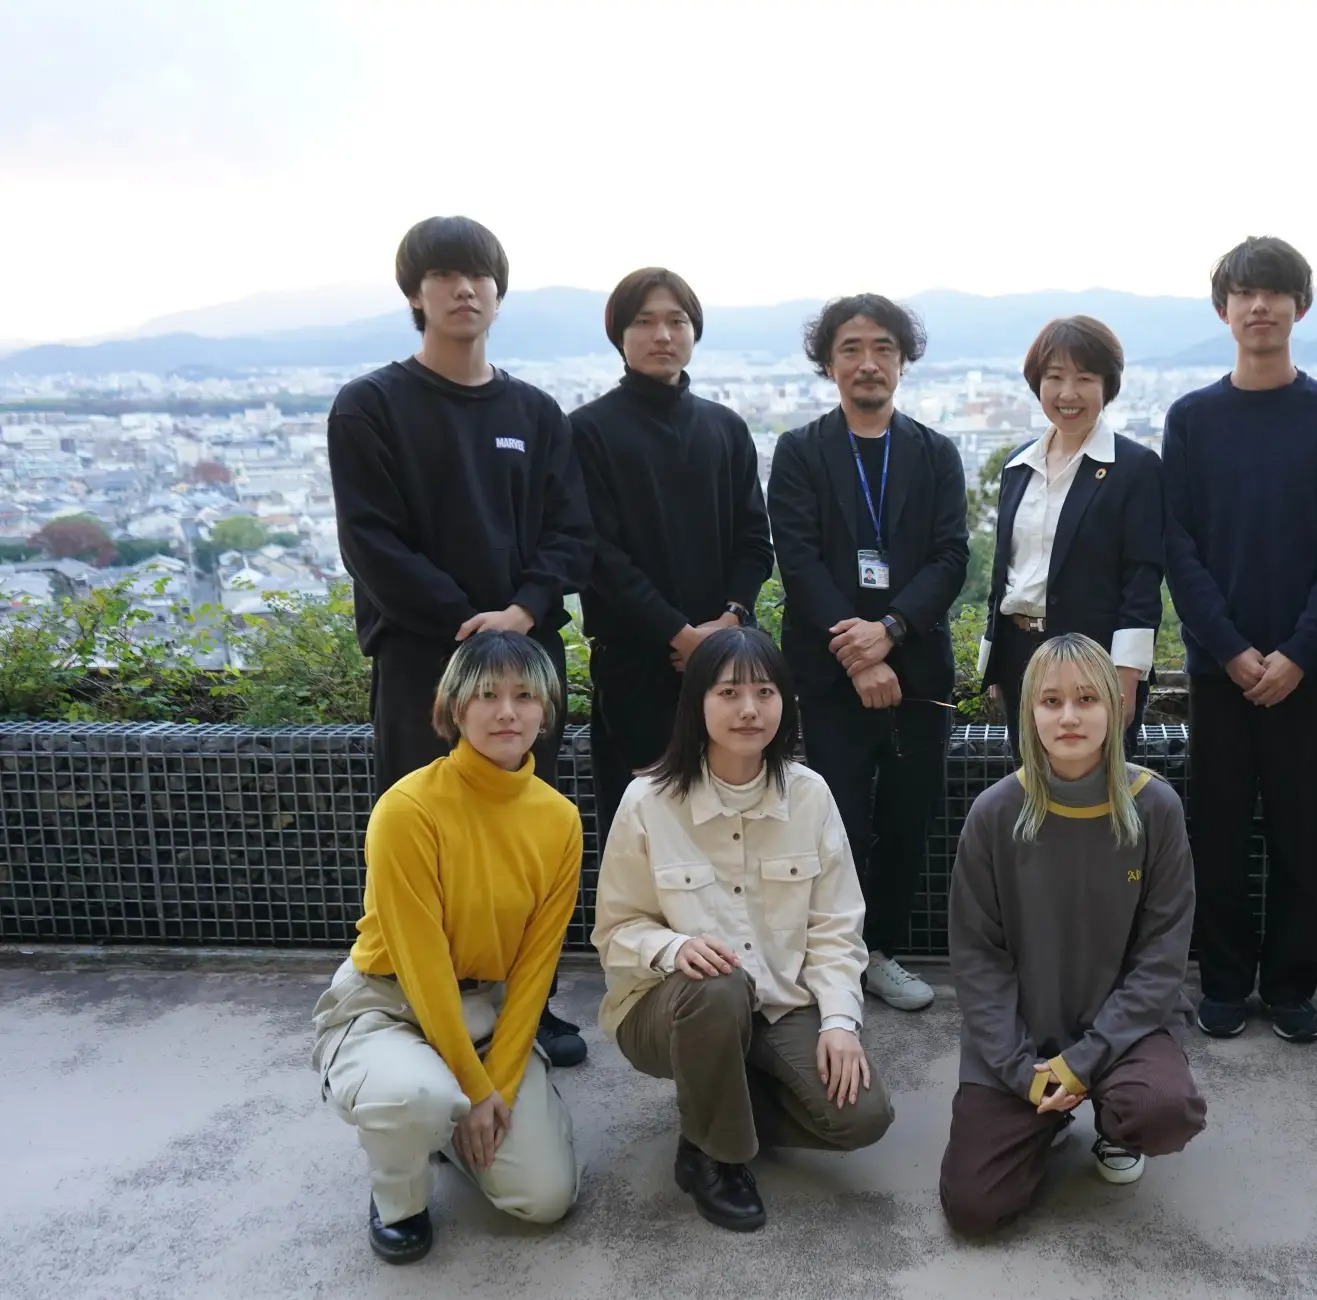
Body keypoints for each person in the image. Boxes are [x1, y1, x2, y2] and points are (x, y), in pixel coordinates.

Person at [328, 215, 593, 1068]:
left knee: (527, 839)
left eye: (479, 275)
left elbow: (570, 533)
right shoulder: (371, 406)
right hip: (422, 662)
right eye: (443, 275)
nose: (464, 289)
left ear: (499, 293)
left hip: (527, 655)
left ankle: (528, 1003)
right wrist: (469, 622)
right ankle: (423, 1004)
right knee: (423, 836)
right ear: (416, 294)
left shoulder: (534, 412)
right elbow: (370, 541)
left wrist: (522, 610)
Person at [593, 626, 892, 1232]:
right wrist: (674, 946)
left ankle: (711, 1096)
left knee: (861, 1118)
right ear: (697, 703)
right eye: (729, 693)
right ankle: (716, 1156)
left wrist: (839, 1021)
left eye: (765, 692)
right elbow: (616, 930)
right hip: (669, 1008)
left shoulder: (810, 795)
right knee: (718, 984)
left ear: (785, 702)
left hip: (780, 1002)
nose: (749, 709)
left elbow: (836, 927)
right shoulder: (647, 800)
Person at [310, 631, 582, 1264]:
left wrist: (499, 1086)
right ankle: (399, 1192)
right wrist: (474, 1092)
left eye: (525, 696)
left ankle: (444, 1126)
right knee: (414, 1098)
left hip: (486, 1011)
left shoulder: (559, 819)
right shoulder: (408, 808)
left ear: (545, 712)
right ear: (455, 707)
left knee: (544, 1198)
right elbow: (423, 964)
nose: (507, 711)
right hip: (392, 1005)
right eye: (486, 695)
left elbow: (536, 968)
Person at [1163, 236, 1317, 1044]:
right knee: (1216, 831)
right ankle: (1222, 981)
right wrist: (1228, 648)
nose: (1259, 307)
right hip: (1220, 670)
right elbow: (1179, 547)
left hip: (1306, 673)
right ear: (1224, 310)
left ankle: (1290, 986)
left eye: (1274, 293)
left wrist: (1299, 653)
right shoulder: (1191, 419)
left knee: (1300, 832)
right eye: (1245, 294)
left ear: (1300, 307)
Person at [940, 634, 1206, 1235]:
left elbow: (1162, 960)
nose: (1068, 717)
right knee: (974, 1208)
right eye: (1051, 700)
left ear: (1116, 707)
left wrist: (1084, 1062)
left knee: (1162, 1110)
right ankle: (1048, 1117)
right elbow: (977, 958)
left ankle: (1116, 1123)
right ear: (1029, 712)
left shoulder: (1156, 808)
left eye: (1087, 699)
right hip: (1021, 1038)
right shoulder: (994, 813)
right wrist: (1021, 1073)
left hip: (1124, 1030)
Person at [766, 294, 970, 1013]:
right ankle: (833, 957)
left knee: (909, 822)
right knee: (835, 821)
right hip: (829, 677)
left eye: (883, 347)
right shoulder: (800, 452)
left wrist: (891, 632)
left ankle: (880, 951)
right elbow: (798, 560)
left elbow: (951, 557)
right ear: (828, 363)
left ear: (903, 360)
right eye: (850, 348)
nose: (868, 362)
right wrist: (858, 653)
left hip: (917, 675)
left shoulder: (935, 453)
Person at [570, 266, 774, 845]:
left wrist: (730, 620)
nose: (663, 335)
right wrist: (681, 635)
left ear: (694, 332)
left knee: (735, 828)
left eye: (677, 321)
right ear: (619, 335)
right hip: (636, 668)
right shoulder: (587, 431)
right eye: (644, 321)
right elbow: (598, 555)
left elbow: (755, 541)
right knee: (644, 832)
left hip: (728, 668)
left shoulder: (725, 428)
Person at [978, 315, 1164, 756]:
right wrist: (995, 662)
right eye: (1055, 377)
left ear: (1107, 385)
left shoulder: (1134, 468)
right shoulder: (1018, 465)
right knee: (1029, 782)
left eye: (1084, 378)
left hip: (1093, 662)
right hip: (1018, 655)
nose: (1067, 393)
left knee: (1097, 784)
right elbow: (1007, 570)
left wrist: (1126, 673)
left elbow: (1142, 577)